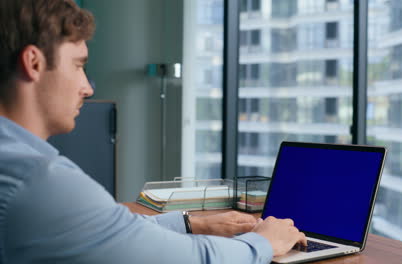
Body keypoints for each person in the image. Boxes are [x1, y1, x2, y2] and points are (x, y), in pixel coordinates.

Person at [0, 0, 306, 263]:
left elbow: (109, 227)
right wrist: (266, 241)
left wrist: (194, 223)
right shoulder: (37, 180)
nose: (87, 88)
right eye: (78, 65)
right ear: (34, 63)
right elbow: (192, 260)